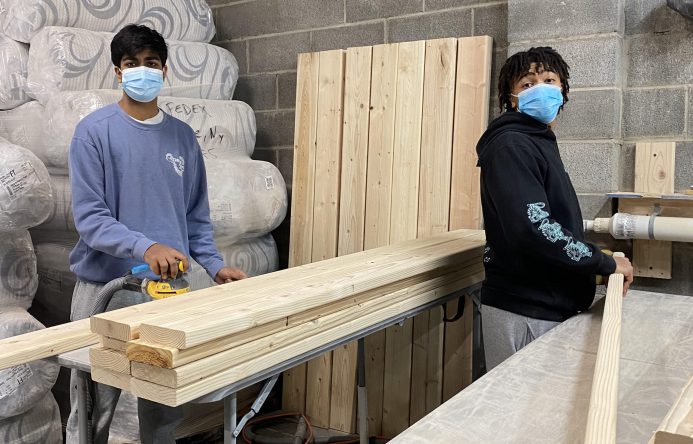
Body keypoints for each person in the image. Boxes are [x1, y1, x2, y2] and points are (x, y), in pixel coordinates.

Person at [65, 24, 247, 443]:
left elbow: (195, 218)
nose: (141, 71)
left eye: (151, 63)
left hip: (167, 291)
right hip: (107, 290)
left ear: (164, 71)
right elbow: (91, 219)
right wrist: (145, 246)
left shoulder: (182, 137)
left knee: (164, 405)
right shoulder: (94, 132)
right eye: (132, 64)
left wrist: (216, 267)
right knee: (93, 403)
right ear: (117, 71)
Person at [476, 47, 634, 371]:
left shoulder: (538, 142)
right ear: (513, 97)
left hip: (544, 306)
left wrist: (594, 264)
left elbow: (552, 224)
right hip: (525, 311)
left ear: (562, 90)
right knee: (519, 415)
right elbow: (535, 230)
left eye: (549, 79)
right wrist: (602, 263)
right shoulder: (512, 145)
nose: (541, 88)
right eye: (528, 83)